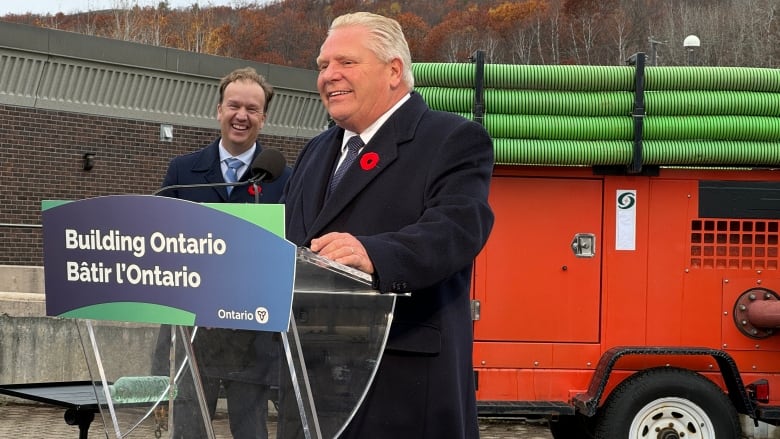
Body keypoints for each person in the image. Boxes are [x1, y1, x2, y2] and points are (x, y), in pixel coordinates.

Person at [282, 12, 494, 439]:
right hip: (312, 384)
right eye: (323, 66)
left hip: (400, 388)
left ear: (394, 70)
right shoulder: (314, 151)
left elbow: (458, 226)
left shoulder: (451, 139)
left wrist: (375, 255)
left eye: (345, 62)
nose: (329, 76)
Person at [153, 66, 291, 439]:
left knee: (251, 432)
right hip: (193, 339)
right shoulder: (183, 171)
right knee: (190, 433)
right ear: (219, 110)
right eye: (234, 106)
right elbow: (160, 245)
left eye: (251, 109)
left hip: (254, 342)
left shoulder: (284, 179)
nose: (241, 116)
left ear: (264, 117)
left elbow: (292, 252)